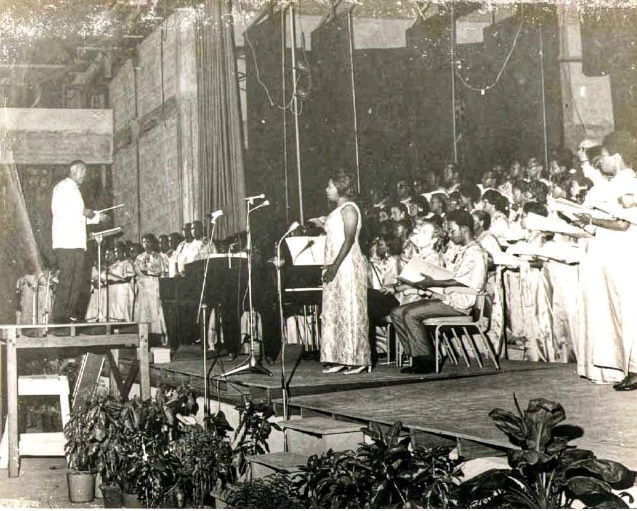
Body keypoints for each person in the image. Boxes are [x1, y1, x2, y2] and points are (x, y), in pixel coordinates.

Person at [574, 131, 637, 390]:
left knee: (630, 313)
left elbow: (622, 223)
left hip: (626, 257)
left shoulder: (627, 182)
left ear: (617, 157)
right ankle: (629, 367)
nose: (603, 162)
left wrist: (591, 219)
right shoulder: (619, 182)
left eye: (606, 157)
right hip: (615, 257)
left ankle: (634, 369)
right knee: (621, 313)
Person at [390, 210, 488, 374]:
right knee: (397, 312)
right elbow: (448, 275)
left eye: (452, 230)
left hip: (460, 305)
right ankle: (415, 357)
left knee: (410, 314)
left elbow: (475, 285)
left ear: (464, 229)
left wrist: (435, 282)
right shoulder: (459, 250)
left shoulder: (477, 253)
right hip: (445, 298)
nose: (450, 234)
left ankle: (427, 361)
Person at [310, 172, 371, 375]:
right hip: (334, 265)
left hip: (346, 267)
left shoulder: (349, 209)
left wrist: (335, 266)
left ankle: (358, 358)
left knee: (350, 311)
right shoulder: (336, 211)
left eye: (330, 186)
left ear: (340, 188)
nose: (327, 190)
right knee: (335, 312)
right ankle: (339, 357)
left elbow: (349, 239)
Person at [51, 160, 108, 324]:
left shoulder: (76, 191)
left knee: (77, 281)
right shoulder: (62, 187)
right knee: (67, 280)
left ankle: (70, 316)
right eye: (82, 170)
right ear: (73, 170)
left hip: (77, 243)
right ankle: (59, 318)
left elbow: (81, 218)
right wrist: (83, 211)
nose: (85, 174)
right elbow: (59, 210)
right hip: (65, 243)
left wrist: (97, 217)